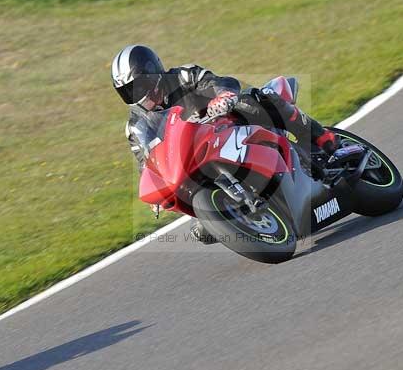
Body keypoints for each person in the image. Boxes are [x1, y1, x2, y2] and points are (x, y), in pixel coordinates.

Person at [112, 44, 337, 244]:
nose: (138, 95)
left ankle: (321, 138)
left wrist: (223, 95)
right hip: (193, 160)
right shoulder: (135, 125)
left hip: (225, 124)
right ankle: (232, 216)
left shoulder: (183, 76)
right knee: (201, 231)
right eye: (129, 92)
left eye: (140, 86)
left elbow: (218, 82)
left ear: (154, 72)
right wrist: (156, 189)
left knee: (260, 98)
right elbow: (146, 161)